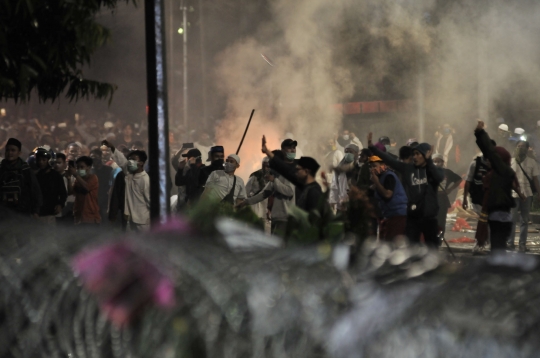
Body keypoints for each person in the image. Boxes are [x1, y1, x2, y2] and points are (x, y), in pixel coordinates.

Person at [368, 133, 444, 248]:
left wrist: (429, 162)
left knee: (431, 249)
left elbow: (438, 177)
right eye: (413, 154)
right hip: (413, 217)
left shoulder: (433, 170)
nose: (414, 157)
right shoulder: (408, 169)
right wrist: (373, 148)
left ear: (425, 155)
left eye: (418, 154)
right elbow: (389, 160)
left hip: (429, 217)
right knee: (411, 249)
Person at [474, 121, 519, 253]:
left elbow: (491, 153)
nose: (488, 160)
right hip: (498, 216)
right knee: (497, 248)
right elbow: (489, 153)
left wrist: (480, 133)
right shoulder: (498, 172)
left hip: (500, 217)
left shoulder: (503, 171)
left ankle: (499, 271)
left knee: (498, 249)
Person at [239, 151, 295, 236]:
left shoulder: (287, 175)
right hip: (274, 216)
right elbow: (263, 194)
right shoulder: (258, 176)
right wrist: (246, 202)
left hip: (286, 217)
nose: (267, 167)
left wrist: (274, 180)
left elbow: (290, 191)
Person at [262, 136, 324, 213]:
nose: (293, 150)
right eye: (289, 148)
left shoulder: (300, 165)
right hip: (285, 211)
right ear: (283, 150)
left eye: (294, 148)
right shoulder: (277, 168)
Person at [105, 140, 151, 231]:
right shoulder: (129, 174)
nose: (130, 161)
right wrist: (112, 147)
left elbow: (150, 201)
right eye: (129, 159)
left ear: (141, 163)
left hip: (143, 221)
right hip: (130, 220)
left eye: (134, 159)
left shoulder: (145, 180)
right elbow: (121, 160)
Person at [508, 140, 540, 252]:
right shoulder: (510, 162)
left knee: (524, 220)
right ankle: (510, 243)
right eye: (518, 146)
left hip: (527, 194)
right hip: (513, 194)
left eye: (522, 146)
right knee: (512, 219)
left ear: (527, 149)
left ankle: (522, 245)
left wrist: (539, 193)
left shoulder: (532, 162)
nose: (520, 148)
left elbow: (535, 179)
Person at [0, 138, 42, 218]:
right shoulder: (1, 169)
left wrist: (36, 210)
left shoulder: (25, 170)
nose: (10, 153)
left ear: (19, 153)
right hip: (3, 212)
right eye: (8, 150)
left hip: (22, 211)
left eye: (13, 150)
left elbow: (35, 190)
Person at [369, 155, 408, 241]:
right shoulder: (381, 177)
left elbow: (387, 194)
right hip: (389, 216)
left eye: (375, 166)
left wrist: (376, 182)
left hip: (398, 215)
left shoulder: (389, 176)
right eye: (371, 167)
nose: (372, 169)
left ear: (383, 165)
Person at [35, 148, 67, 225]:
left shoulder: (56, 176)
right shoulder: (35, 176)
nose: (41, 162)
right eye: (39, 160)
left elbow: (63, 193)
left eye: (44, 160)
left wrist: (60, 204)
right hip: (38, 213)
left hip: (51, 213)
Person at [433, 153, 462, 236]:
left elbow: (459, 180)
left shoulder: (447, 172)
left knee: (441, 220)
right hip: (431, 199)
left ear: (442, 162)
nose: (437, 163)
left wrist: (450, 189)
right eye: (434, 161)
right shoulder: (428, 172)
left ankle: (440, 237)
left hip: (442, 199)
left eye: (438, 161)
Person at [67, 156, 101, 226]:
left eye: (82, 167)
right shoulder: (78, 180)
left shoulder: (93, 178)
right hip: (79, 216)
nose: (79, 169)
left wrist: (75, 175)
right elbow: (71, 192)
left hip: (90, 217)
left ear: (89, 167)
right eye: (78, 167)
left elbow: (87, 186)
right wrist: (69, 178)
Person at [329, 144, 361, 211]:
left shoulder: (360, 167)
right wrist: (332, 201)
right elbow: (334, 185)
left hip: (356, 203)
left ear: (356, 153)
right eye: (346, 152)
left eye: (350, 152)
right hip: (342, 203)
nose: (348, 154)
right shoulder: (340, 166)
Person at [89, 149, 113, 223]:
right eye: (92, 157)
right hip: (92, 200)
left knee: (105, 222)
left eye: (96, 157)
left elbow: (111, 185)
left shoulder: (108, 170)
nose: (94, 159)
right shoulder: (89, 171)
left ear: (100, 157)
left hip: (104, 200)